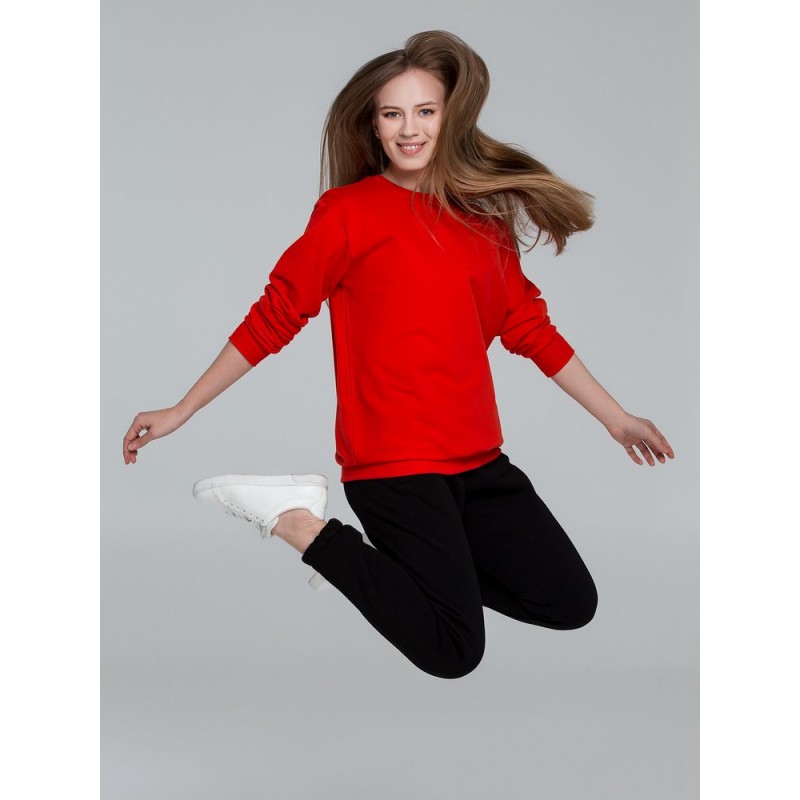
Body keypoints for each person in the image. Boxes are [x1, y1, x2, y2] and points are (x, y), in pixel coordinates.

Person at [122, 30, 674, 680]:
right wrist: (183, 409)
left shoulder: (483, 219)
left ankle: (372, 573)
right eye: (392, 114)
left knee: (568, 601)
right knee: (453, 651)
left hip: (477, 458)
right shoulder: (347, 213)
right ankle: (302, 527)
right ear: (374, 126)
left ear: (450, 117)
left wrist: (617, 419)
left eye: (425, 111)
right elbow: (276, 316)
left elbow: (529, 327)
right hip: (394, 466)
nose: (409, 129)